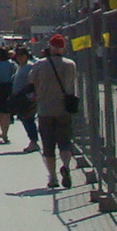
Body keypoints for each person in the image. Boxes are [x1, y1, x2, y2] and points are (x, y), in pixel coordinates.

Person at [31, 35, 80, 189]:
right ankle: (65, 165)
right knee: (65, 143)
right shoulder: (70, 64)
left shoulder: (40, 64)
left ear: (50, 47)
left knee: (48, 145)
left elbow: (32, 80)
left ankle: (52, 177)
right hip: (64, 109)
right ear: (63, 48)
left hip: (45, 109)